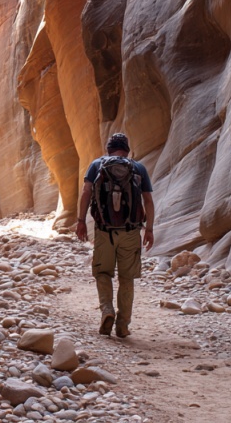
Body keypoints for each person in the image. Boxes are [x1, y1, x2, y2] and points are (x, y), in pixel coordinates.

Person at [76, 133, 155, 337]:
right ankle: (122, 325)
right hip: (130, 232)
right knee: (127, 277)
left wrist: (81, 221)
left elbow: (86, 192)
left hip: (104, 231)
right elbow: (148, 201)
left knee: (103, 273)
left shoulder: (97, 165)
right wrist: (150, 229)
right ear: (127, 151)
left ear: (108, 150)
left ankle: (107, 310)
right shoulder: (138, 168)